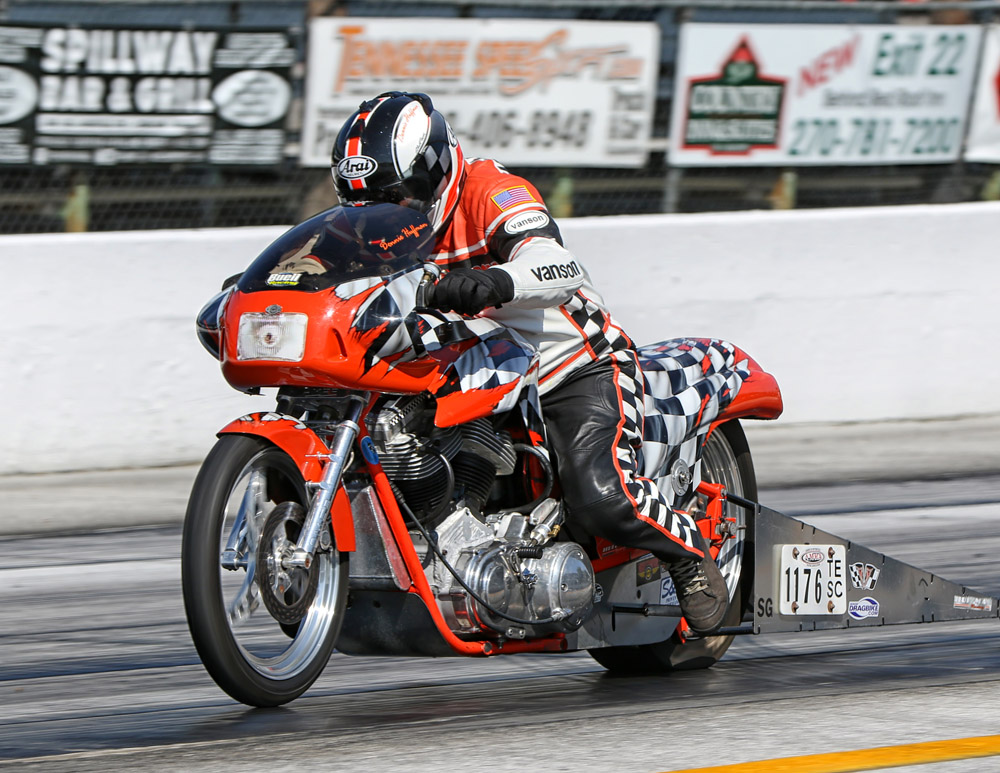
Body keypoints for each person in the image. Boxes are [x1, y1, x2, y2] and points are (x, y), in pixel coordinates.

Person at [330, 91, 728, 634]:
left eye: (395, 194)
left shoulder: (491, 189)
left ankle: (688, 553)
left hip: (568, 366)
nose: (381, 209)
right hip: (461, 362)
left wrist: (495, 279)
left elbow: (556, 262)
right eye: (365, 199)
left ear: (435, 169)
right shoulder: (377, 228)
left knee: (598, 496)